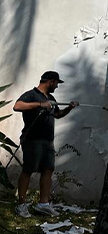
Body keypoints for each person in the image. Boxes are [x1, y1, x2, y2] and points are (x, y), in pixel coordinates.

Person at [12, 71, 79, 218]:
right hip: (32, 140)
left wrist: (69, 108)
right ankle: (21, 205)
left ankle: (43, 204)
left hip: (48, 141)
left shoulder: (51, 98)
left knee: (48, 169)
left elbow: (57, 114)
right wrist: (40, 104)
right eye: (56, 83)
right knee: (28, 170)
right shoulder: (31, 95)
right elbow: (17, 106)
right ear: (50, 81)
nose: (57, 86)